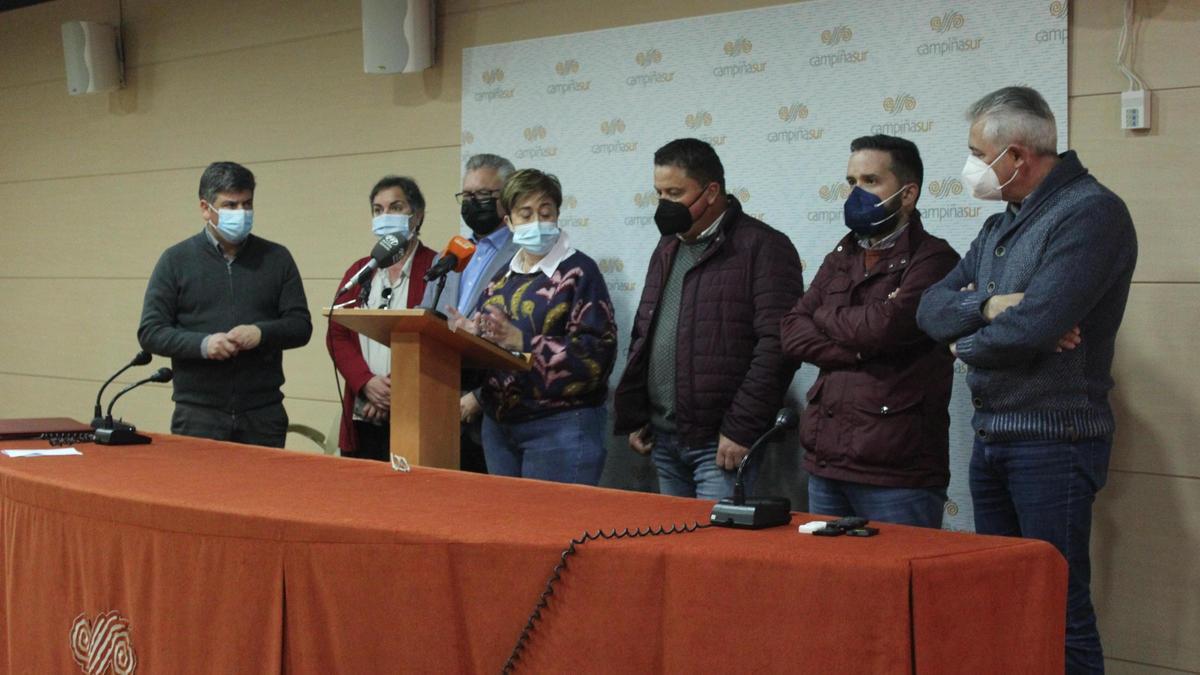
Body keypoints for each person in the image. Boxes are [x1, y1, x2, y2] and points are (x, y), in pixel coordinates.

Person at [916, 86, 1136, 673]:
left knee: (1058, 607)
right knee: (1008, 602)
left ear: (1015, 156)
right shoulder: (999, 226)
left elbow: (1034, 327)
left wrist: (966, 344)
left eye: (974, 152)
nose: (969, 166)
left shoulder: (1092, 212)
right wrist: (990, 308)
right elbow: (928, 308)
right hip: (994, 438)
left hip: (1054, 439)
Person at [781, 135, 960, 527]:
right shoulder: (843, 254)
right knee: (827, 583)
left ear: (907, 193)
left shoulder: (934, 259)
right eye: (851, 183)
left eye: (870, 181)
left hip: (897, 472)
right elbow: (792, 330)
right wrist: (856, 348)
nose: (855, 194)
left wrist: (827, 315)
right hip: (826, 462)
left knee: (899, 586)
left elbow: (885, 328)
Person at [613, 138, 804, 500]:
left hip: (720, 443)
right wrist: (637, 412)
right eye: (659, 194)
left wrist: (742, 427)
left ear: (711, 190)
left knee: (713, 552)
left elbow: (778, 346)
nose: (664, 205)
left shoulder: (762, 247)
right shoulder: (668, 245)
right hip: (664, 438)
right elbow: (646, 329)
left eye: (674, 192)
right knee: (672, 550)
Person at [448, 169, 617, 484]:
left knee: (554, 528)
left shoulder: (579, 272)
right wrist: (472, 339)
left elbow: (596, 356)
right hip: (499, 430)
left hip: (561, 428)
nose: (537, 222)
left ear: (557, 215)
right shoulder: (501, 279)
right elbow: (490, 353)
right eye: (525, 214)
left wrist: (522, 340)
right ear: (509, 222)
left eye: (546, 212)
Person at [138, 161, 312, 447]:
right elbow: (151, 332)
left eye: (247, 204)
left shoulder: (276, 258)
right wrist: (203, 345)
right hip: (198, 415)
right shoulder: (175, 260)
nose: (241, 214)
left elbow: (300, 326)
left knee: (263, 492)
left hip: (263, 414)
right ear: (206, 208)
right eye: (230, 206)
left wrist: (261, 334)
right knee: (197, 492)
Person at [422, 153, 520, 473]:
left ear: (507, 198)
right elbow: (428, 320)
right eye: (466, 195)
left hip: (494, 405)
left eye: (482, 195)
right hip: (443, 399)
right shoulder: (452, 253)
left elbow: (524, 338)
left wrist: (479, 397)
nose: (472, 202)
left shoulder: (524, 253)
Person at [327, 176, 436, 461]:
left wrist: (391, 391)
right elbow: (337, 334)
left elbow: (439, 338)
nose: (385, 216)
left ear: (417, 214)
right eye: (378, 210)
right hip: (364, 411)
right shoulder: (362, 270)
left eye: (395, 207)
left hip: (415, 413)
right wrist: (366, 384)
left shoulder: (437, 267)